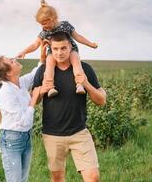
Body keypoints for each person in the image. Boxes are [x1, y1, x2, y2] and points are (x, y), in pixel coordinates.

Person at [33, 31, 106, 182]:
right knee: (58, 178)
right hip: (53, 134)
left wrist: (85, 83)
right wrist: (42, 90)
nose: (59, 53)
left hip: (79, 132)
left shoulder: (85, 69)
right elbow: (34, 100)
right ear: (51, 50)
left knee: (93, 178)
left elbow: (101, 100)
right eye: (56, 49)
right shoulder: (44, 71)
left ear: (71, 47)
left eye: (63, 48)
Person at [17, 0, 98, 98]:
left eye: (44, 23)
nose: (43, 27)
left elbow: (78, 37)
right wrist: (24, 51)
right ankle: (50, 87)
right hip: (53, 53)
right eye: (41, 25)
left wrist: (90, 44)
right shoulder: (44, 32)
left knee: (76, 61)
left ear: (53, 19)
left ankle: (79, 84)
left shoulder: (65, 25)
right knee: (49, 63)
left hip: (70, 50)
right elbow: (35, 44)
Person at [0, 53, 49, 182]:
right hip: (12, 140)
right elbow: (23, 121)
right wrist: (34, 98)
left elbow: (35, 74)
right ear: (8, 73)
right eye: (11, 61)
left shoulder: (20, 83)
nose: (14, 60)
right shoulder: (6, 92)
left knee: (23, 179)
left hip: (26, 137)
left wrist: (42, 57)